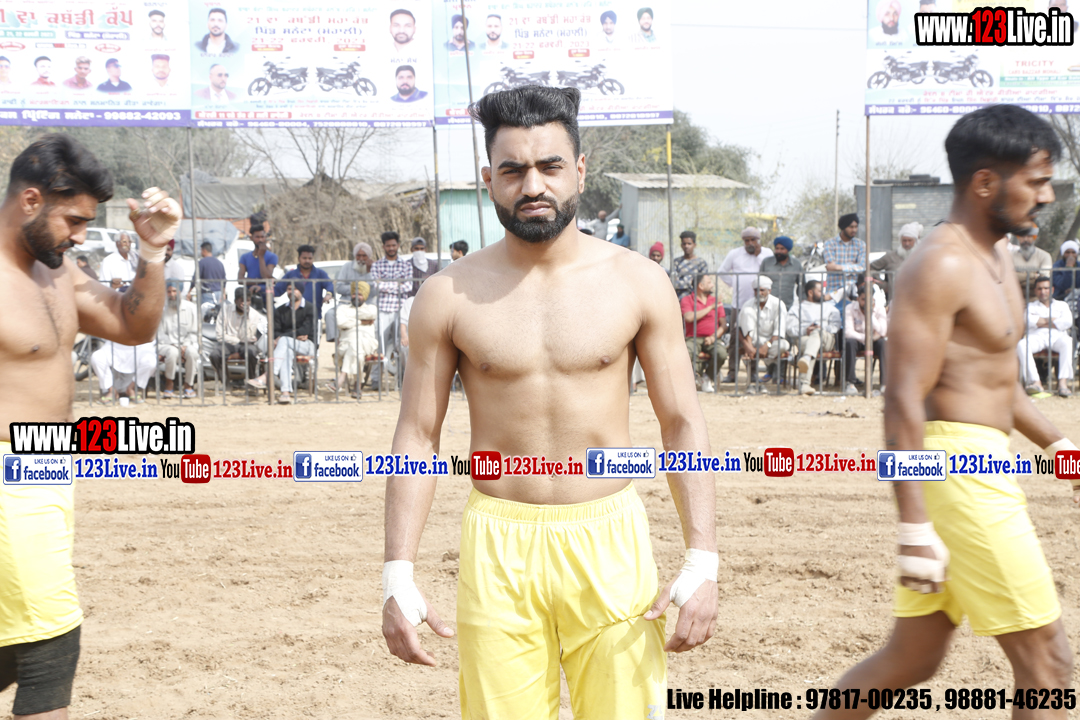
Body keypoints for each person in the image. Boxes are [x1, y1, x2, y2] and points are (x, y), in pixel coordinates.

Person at [382, 86, 717, 719]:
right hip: (498, 545)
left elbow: (681, 422)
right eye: (512, 170)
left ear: (580, 171)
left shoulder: (637, 282)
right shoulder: (447, 295)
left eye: (550, 166)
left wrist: (703, 558)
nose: (532, 185)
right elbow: (417, 437)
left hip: (610, 540)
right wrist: (397, 573)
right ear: (488, 180)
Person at [814, 105, 1077, 720]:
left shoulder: (995, 255)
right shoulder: (942, 263)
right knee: (1048, 663)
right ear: (985, 182)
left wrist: (1059, 446)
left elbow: (996, 379)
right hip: (957, 471)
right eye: (1036, 181)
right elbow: (903, 396)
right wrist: (913, 527)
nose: (1046, 195)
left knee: (914, 657)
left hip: (978, 461)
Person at [0, 133, 178, 720]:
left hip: (48, 472)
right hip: (9, 484)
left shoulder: (60, 272)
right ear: (31, 200)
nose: (81, 235)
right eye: (73, 220)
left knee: (11, 651)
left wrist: (152, 252)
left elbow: (133, 326)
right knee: (50, 647)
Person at [247, 283, 315, 404]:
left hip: (306, 345)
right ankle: (285, 393)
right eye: (289, 289)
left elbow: (305, 330)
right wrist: (293, 335)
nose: (292, 291)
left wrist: (284, 336)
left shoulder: (310, 308)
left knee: (283, 340)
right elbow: (275, 331)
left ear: (301, 291)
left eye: (295, 289)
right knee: (286, 351)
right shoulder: (281, 310)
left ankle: (268, 375)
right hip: (286, 346)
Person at [1018, 276, 1074, 396]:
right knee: (1022, 345)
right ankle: (1036, 382)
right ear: (1035, 291)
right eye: (1039, 289)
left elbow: (1068, 321)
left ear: (1052, 290)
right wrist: (1054, 320)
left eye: (1046, 288)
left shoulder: (1062, 305)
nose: (1043, 291)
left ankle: (1063, 384)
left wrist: (1040, 321)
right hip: (1037, 337)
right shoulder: (1031, 306)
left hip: (1057, 337)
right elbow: (1027, 320)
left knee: (1068, 342)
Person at [370, 231, 410, 388]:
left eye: (394, 245)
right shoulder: (377, 265)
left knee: (401, 345)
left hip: (400, 311)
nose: (391, 248)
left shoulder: (405, 265)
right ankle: (376, 380)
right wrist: (397, 285)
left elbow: (408, 286)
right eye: (388, 246)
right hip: (383, 310)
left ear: (398, 245)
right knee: (378, 345)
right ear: (383, 247)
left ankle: (403, 380)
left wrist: (385, 285)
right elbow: (376, 285)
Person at [787, 279, 841, 395]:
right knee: (811, 345)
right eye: (820, 291)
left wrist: (821, 328)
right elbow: (790, 329)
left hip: (826, 339)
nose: (823, 294)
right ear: (810, 293)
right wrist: (805, 330)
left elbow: (835, 327)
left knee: (816, 333)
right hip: (805, 338)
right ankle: (805, 380)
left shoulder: (830, 308)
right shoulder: (797, 308)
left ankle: (804, 381)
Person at [736, 275, 788, 389]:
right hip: (752, 342)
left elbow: (779, 331)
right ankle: (753, 366)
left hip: (770, 343)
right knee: (747, 312)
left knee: (783, 345)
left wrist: (766, 346)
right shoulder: (748, 304)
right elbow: (738, 328)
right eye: (756, 290)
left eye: (762, 290)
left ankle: (759, 358)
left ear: (769, 291)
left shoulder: (778, 304)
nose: (759, 293)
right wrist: (748, 346)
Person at [330, 281, 377, 396]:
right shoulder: (342, 309)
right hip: (346, 344)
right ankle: (357, 386)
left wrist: (350, 319)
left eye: (359, 294)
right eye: (354, 294)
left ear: (365, 296)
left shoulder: (371, 308)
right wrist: (361, 322)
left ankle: (341, 378)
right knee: (356, 349)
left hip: (367, 343)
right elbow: (340, 322)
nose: (356, 296)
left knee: (356, 343)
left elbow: (372, 315)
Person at [681, 274, 726, 392]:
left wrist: (713, 337)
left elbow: (723, 325)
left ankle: (707, 377)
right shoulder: (687, 300)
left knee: (721, 353)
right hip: (693, 338)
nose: (712, 285)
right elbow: (689, 318)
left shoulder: (715, 301)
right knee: (687, 352)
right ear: (701, 286)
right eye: (709, 283)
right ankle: (694, 377)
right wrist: (710, 308)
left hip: (713, 338)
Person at [156, 281, 200, 398]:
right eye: (169, 292)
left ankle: (188, 385)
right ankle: (169, 384)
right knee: (172, 352)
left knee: (192, 352)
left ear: (180, 292)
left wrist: (185, 345)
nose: (172, 294)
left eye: (175, 291)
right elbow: (160, 334)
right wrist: (175, 345)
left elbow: (194, 331)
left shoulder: (191, 308)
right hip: (166, 344)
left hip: (187, 343)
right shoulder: (161, 308)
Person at [842, 279, 887, 394]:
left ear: (873, 299)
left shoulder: (880, 308)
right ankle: (850, 383)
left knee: (883, 344)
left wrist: (870, 314)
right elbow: (848, 332)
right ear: (858, 299)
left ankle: (884, 384)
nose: (866, 302)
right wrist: (866, 338)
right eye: (863, 299)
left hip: (874, 340)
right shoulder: (850, 308)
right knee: (849, 342)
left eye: (869, 299)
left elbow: (882, 331)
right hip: (858, 339)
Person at [211, 286, 262, 381]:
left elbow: (249, 336)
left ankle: (251, 380)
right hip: (228, 344)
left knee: (251, 352)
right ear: (235, 301)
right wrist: (237, 341)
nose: (245, 303)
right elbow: (220, 335)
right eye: (242, 300)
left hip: (246, 344)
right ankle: (225, 382)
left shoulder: (254, 315)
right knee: (215, 355)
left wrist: (246, 316)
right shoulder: (225, 311)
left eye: (248, 300)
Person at [718, 226, 773, 310]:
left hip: (761, 302)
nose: (750, 243)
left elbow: (771, 271)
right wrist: (735, 283)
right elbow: (722, 272)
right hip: (740, 302)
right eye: (747, 240)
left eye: (753, 240)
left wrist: (758, 255)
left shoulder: (767, 253)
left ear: (758, 240)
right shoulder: (735, 253)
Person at [871, 221, 921, 301]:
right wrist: (883, 285)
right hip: (895, 301)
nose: (907, 243)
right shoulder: (891, 256)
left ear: (915, 241)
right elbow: (870, 268)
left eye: (910, 240)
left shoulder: (921, 257)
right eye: (904, 240)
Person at [237, 224, 277, 312]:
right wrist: (259, 281)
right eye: (257, 237)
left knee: (272, 317)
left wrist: (261, 256)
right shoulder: (245, 257)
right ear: (251, 238)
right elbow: (240, 279)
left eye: (262, 237)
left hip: (266, 295)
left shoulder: (272, 256)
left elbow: (266, 276)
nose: (260, 240)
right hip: (249, 295)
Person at [823, 212, 866, 296]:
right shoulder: (830, 243)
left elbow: (862, 267)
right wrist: (852, 266)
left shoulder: (860, 244)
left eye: (856, 227)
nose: (854, 230)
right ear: (843, 227)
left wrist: (839, 267)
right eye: (851, 227)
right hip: (833, 291)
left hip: (853, 291)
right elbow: (831, 267)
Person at [757, 234, 802, 307]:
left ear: (788, 250)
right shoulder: (766, 262)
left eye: (782, 249)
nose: (778, 251)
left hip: (787, 305)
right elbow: (759, 283)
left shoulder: (796, 264)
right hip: (767, 305)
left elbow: (802, 286)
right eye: (777, 248)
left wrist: (803, 301)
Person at [1012, 228, 1054, 298]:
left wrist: (1018, 276)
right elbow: (1008, 279)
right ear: (1018, 238)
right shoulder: (1010, 256)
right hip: (1014, 297)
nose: (1025, 239)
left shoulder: (1045, 256)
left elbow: (1043, 280)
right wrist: (1033, 275)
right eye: (1022, 236)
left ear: (1034, 237)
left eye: (1029, 236)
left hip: (1037, 299)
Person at [672, 230, 710, 299]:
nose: (686, 246)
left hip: (696, 300)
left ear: (694, 245)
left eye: (689, 244)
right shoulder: (676, 262)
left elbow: (703, 283)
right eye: (684, 244)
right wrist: (691, 283)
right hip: (679, 298)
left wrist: (683, 283)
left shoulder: (701, 263)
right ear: (681, 245)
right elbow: (674, 283)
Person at [188, 241, 226, 306]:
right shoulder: (219, 263)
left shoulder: (202, 262)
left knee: (206, 311)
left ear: (204, 250)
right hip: (219, 293)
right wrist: (223, 293)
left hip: (207, 293)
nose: (201, 253)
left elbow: (195, 278)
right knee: (218, 311)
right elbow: (224, 280)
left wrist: (189, 292)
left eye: (201, 250)